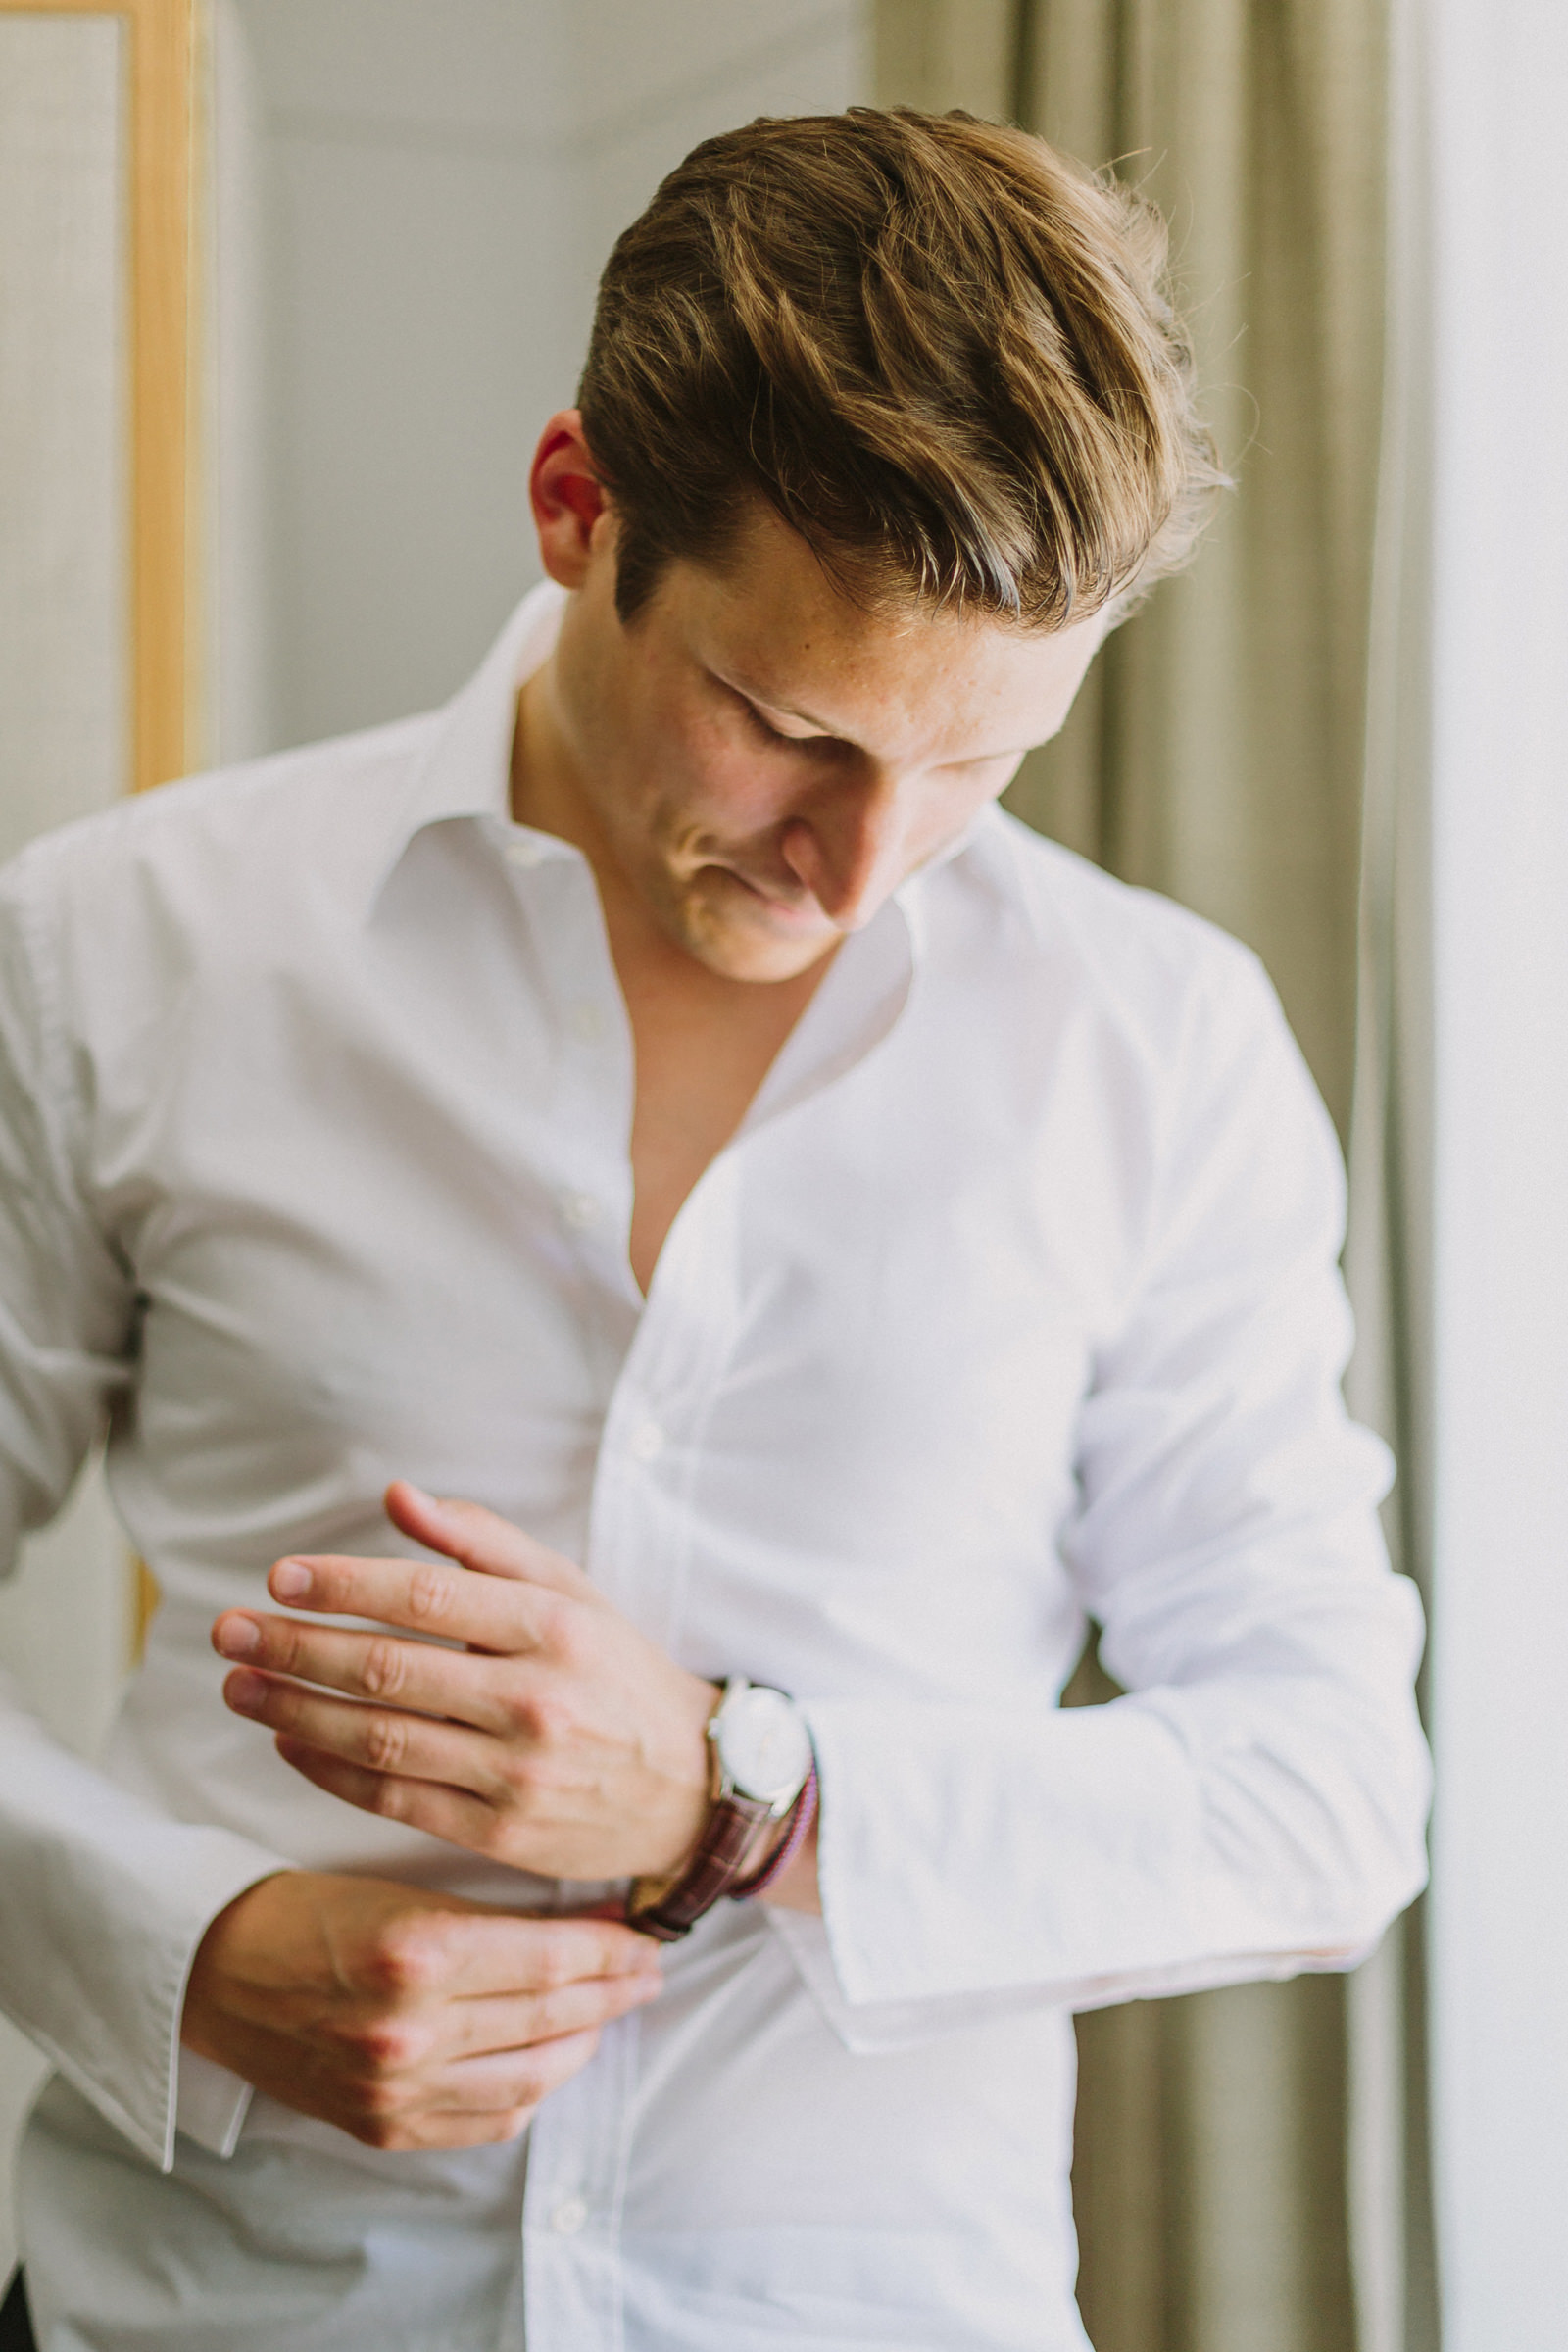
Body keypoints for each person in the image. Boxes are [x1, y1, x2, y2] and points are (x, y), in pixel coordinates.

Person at [0, 107, 1428, 2352]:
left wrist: (731, 1787)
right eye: (787, 727)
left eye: (977, 766)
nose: (864, 871)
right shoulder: (121, 952)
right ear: (577, 509)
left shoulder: (1155, 1051)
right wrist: (163, 1946)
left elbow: (1323, 1791)